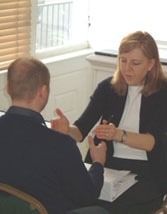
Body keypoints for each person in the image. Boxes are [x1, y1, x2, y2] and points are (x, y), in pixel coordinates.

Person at [51, 31, 167, 214]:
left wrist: (118, 134)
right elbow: (81, 130)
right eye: (123, 60)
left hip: (146, 171)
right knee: (76, 201)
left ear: (151, 64)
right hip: (107, 163)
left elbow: (153, 142)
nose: (127, 69)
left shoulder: (163, 93)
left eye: (135, 63)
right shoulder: (108, 88)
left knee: (116, 209)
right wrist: (67, 131)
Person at [0, 57, 110, 214]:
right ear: (43, 91)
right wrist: (98, 162)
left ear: (8, 88)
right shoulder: (59, 144)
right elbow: (87, 196)